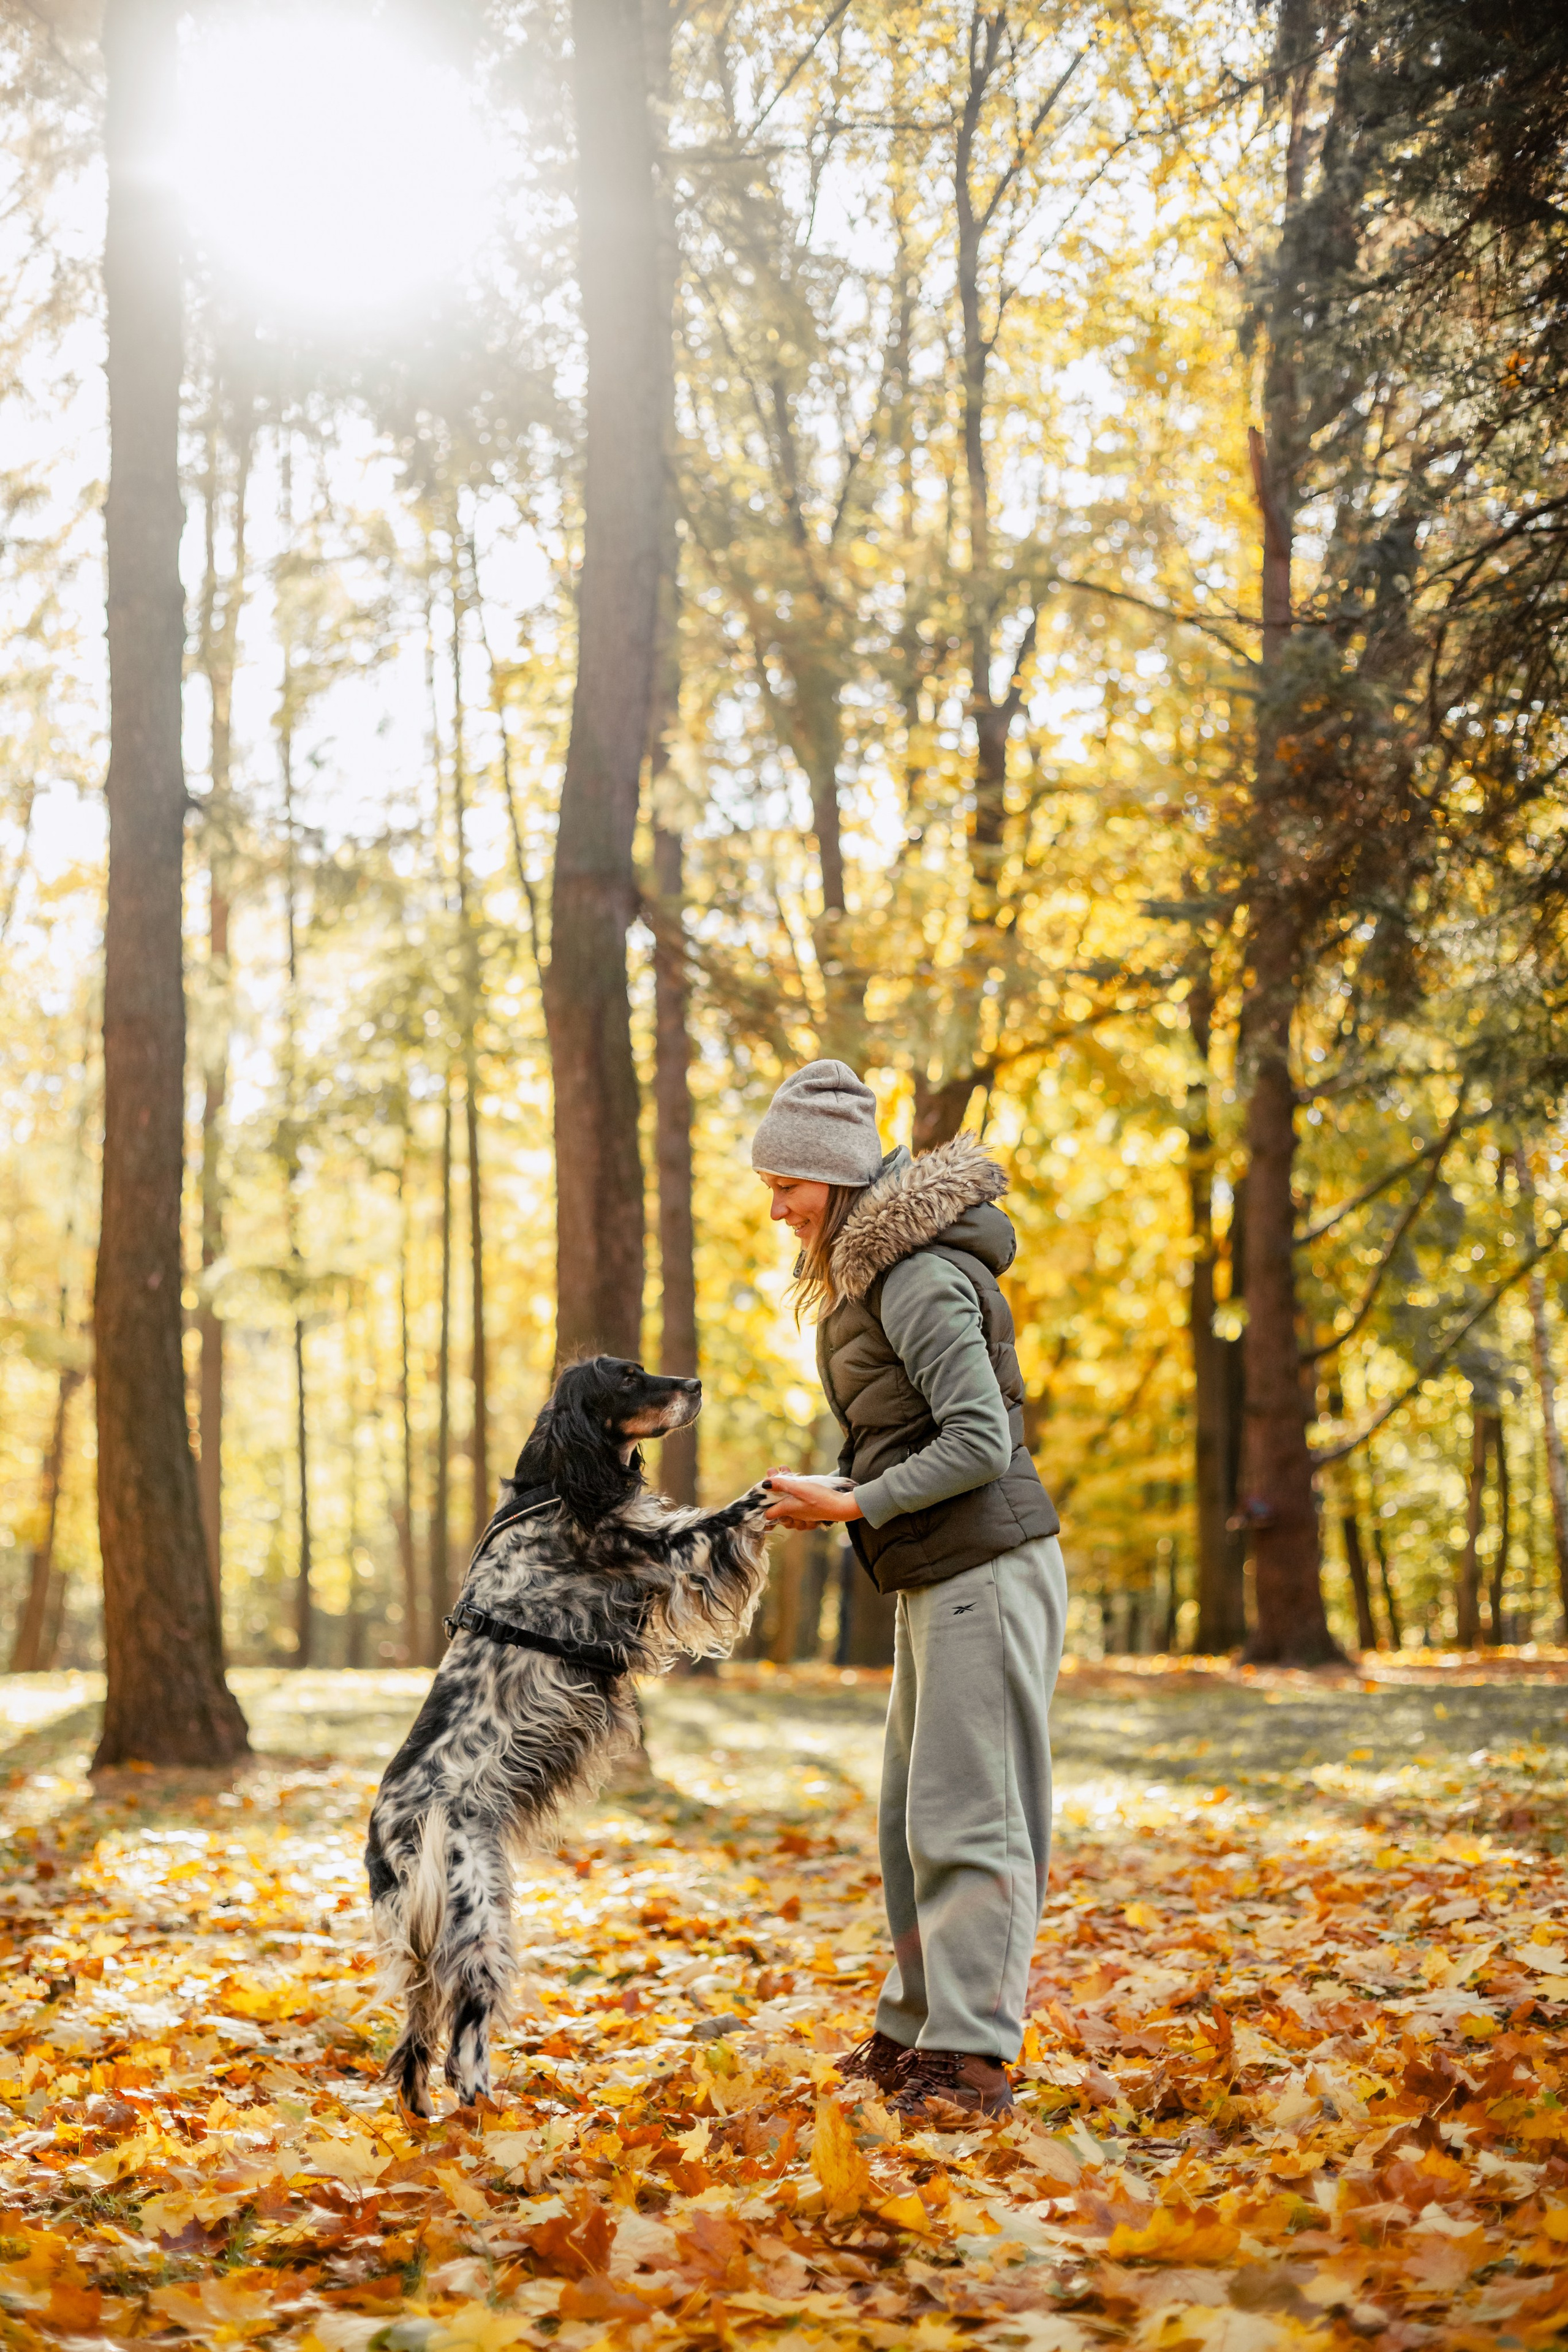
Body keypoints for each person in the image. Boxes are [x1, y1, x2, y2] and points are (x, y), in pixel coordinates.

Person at [753, 1059, 1066, 2122]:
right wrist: (839, 1492)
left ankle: (971, 2058)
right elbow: (920, 1440)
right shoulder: (872, 1276)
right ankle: (914, 2032)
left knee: (968, 1815)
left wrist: (852, 1507)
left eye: (788, 1182)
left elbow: (982, 1442)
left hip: (987, 1561)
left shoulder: (918, 1276)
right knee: (909, 1817)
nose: (779, 1204)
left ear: (835, 1175)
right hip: (939, 1566)